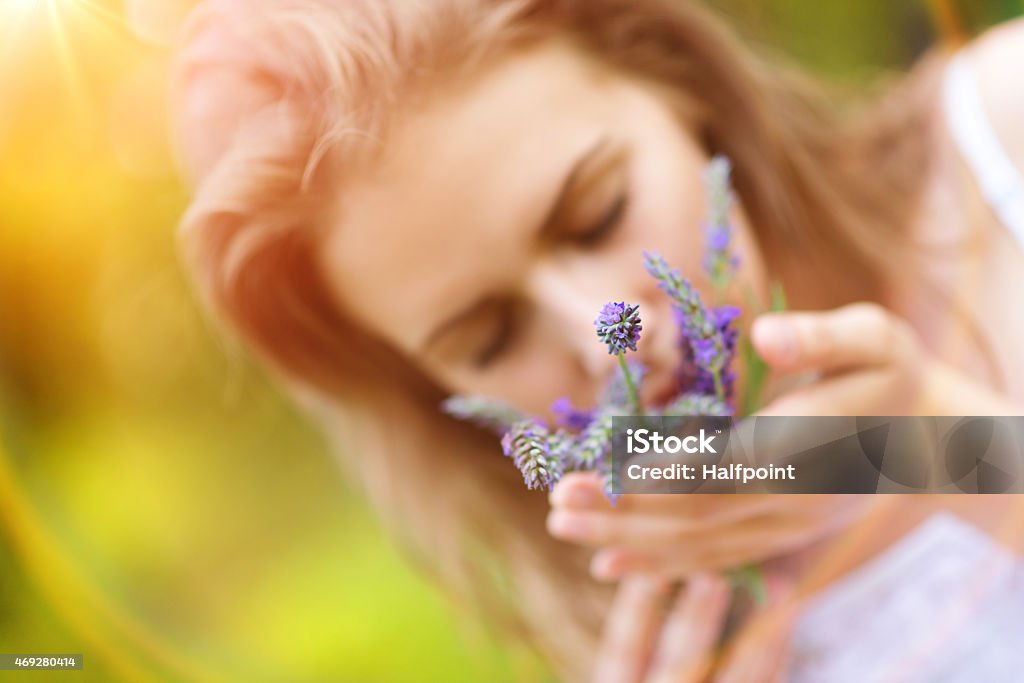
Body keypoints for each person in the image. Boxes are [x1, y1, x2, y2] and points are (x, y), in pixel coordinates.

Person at [171, 1, 1024, 680]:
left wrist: (939, 448)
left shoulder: (1004, 135)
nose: (605, 335)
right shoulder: (648, 625)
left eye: (598, 211)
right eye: (491, 336)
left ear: (667, 73)